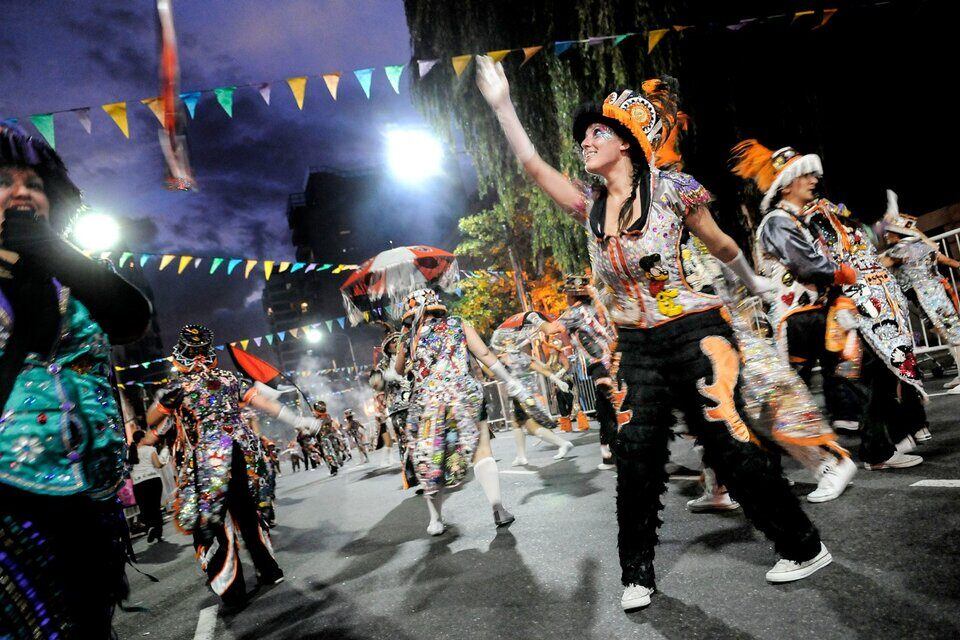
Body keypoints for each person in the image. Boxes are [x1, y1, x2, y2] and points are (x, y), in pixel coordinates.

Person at [477, 58, 830, 610]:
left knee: (727, 441)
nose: (585, 143)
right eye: (583, 137)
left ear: (626, 142)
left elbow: (719, 243)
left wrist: (754, 281)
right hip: (635, 345)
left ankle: (803, 546)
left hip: (695, 332)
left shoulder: (672, 189)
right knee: (636, 455)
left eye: (597, 133)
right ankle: (636, 573)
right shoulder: (588, 205)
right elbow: (532, 165)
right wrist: (503, 107)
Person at [0, 123, 151, 638]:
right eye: (3, 182)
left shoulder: (76, 273)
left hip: (88, 501)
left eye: (34, 184)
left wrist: (54, 254)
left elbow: (131, 319)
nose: (22, 192)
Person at [732, 140, 925, 471]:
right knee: (780, 397)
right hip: (794, 320)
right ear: (787, 184)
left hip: (817, 317)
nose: (813, 180)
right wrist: (842, 273)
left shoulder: (801, 220)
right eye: (805, 176)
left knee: (864, 370)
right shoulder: (778, 222)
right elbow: (807, 266)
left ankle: (879, 448)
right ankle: (756, 464)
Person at [146, 325, 316, 608]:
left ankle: (232, 590)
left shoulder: (179, 387)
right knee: (247, 514)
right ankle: (268, 570)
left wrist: (162, 402)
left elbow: (152, 420)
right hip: (239, 453)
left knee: (212, 522)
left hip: (208, 461)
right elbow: (263, 403)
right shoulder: (229, 379)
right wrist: (297, 420)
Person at [395, 288, 532, 535]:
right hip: (464, 395)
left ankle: (435, 520)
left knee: (432, 459)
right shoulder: (458, 323)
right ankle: (498, 508)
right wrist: (509, 380)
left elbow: (398, 370)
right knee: (482, 449)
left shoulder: (408, 338)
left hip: (428, 402)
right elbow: (484, 354)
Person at [880, 190, 960, 404]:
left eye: (889, 233)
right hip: (932, 295)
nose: (886, 236)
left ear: (897, 234)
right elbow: (942, 258)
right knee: (946, 333)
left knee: (953, 334)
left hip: (930, 297)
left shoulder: (900, 249)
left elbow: (879, 264)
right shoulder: (920, 245)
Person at [536, 275, 620, 469]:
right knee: (608, 408)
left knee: (610, 408)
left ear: (572, 295)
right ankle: (610, 456)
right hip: (615, 359)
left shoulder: (574, 312)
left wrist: (532, 319)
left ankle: (619, 455)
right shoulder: (597, 307)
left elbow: (552, 329)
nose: (565, 297)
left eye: (566, 294)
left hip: (601, 365)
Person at [490, 318, 573, 466]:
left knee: (532, 427)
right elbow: (538, 368)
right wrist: (557, 380)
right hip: (518, 395)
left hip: (523, 395)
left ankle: (562, 443)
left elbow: (537, 368)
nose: (505, 343)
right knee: (516, 423)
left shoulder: (513, 356)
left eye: (507, 340)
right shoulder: (514, 356)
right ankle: (521, 456)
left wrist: (558, 380)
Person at [130, 430, 165, 542]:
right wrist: (164, 461)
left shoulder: (130, 452)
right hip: (153, 480)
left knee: (144, 508)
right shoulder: (150, 449)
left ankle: (150, 527)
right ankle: (158, 533)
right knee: (155, 507)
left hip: (138, 483)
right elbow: (158, 465)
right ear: (142, 439)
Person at [310, 401, 345, 475]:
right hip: (323, 439)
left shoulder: (326, 416)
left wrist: (317, 417)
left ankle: (337, 463)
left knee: (334, 450)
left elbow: (325, 422)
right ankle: (333, 467)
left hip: (330, 436)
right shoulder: (316, 420)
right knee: (327, 454)